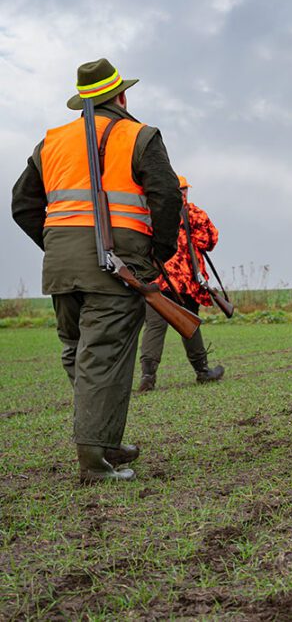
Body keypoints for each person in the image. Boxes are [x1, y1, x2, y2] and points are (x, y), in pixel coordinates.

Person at [10, 58, 182, 482]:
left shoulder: (49, 142)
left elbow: (22, 205)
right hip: (117, 266)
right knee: (103, 358)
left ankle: (104, 440)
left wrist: (58, 245)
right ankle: (92, 459)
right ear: (121, 96)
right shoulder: (139, 135)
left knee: (79, 351)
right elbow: (167, 196)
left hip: (62, 268)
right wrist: (156, 256)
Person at [136, 176, 225, 392]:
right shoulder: (193, 213)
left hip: (156, 278)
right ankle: (202, 371)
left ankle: (147, 376)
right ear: (183, 191)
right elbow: (209, 240)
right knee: (188, 324)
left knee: (155, 326)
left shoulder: (150, 213)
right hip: (184, 281)